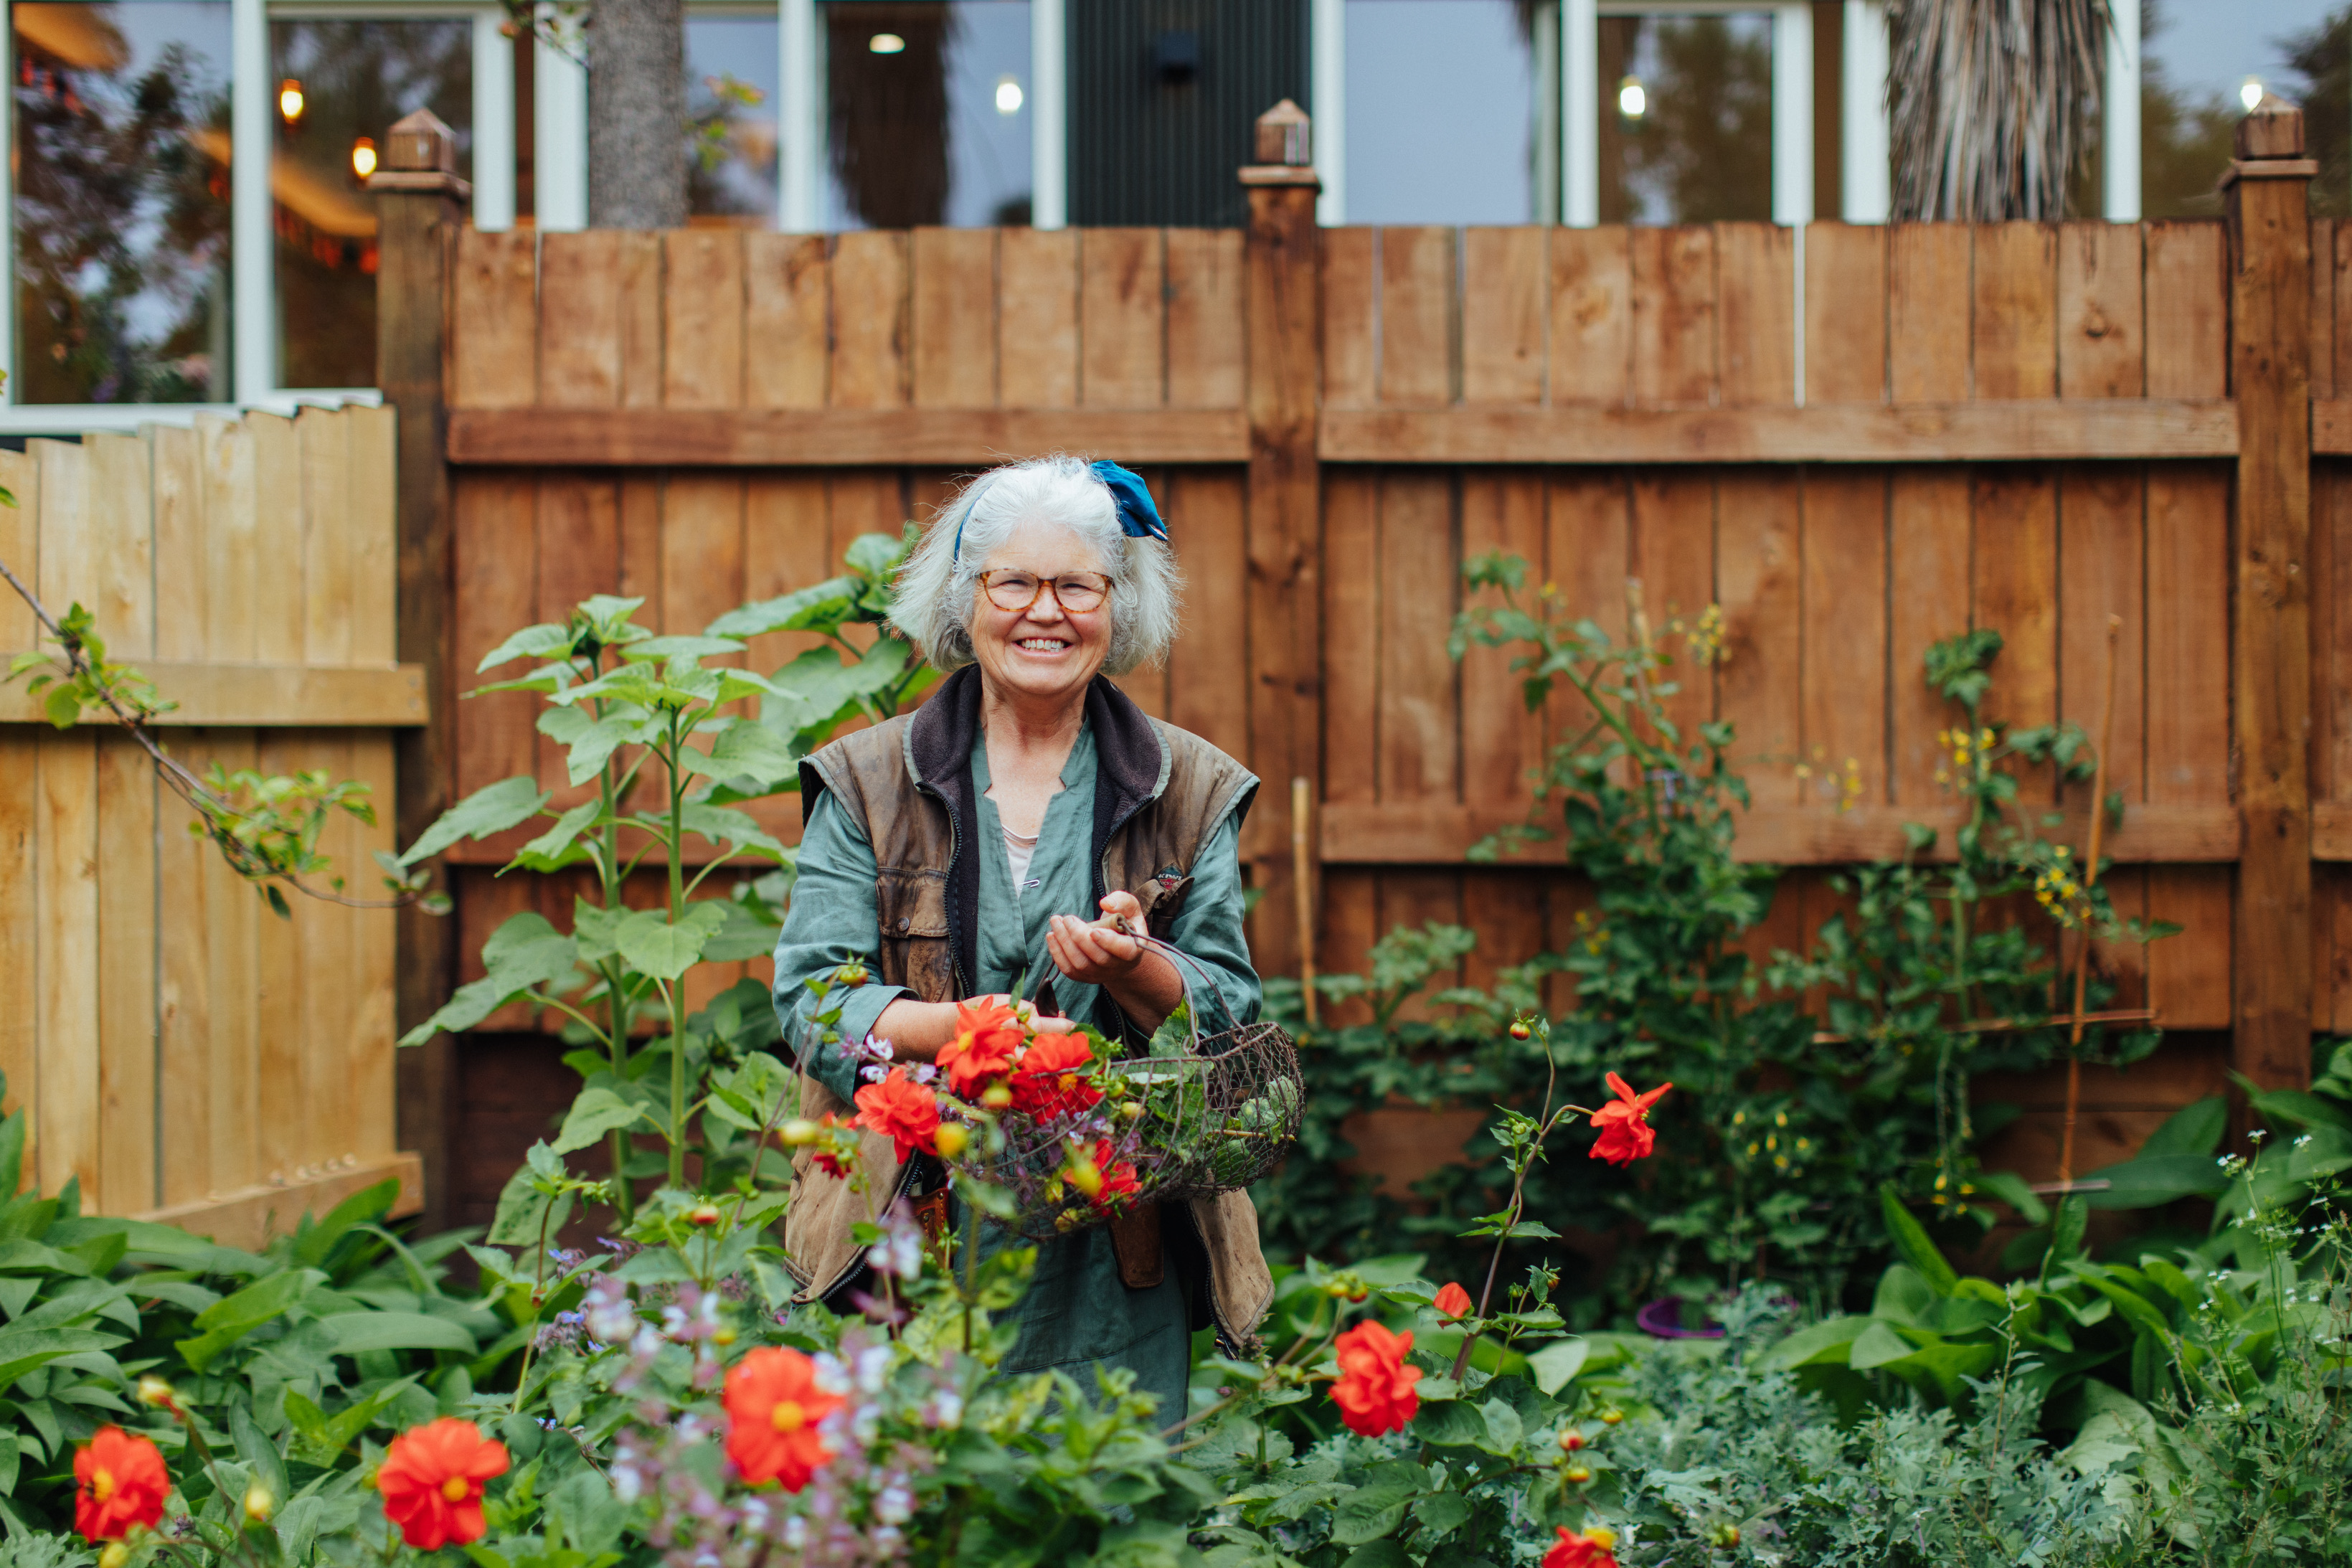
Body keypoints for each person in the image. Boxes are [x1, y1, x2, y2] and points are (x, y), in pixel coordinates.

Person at [771, 455, 1273, 1419]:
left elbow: (1231, 1015)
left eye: (1078, 585)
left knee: (1113, 1480)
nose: (1046, 611)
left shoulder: (1190, 785)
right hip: (912, 1234)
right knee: (932, 1482)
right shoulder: (866, 782)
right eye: (1014, 582)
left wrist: (1139, 969)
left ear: (1117, 605)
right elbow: (812, 1000)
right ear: (967, 600)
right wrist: (962, 1031)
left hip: (1117, 1248)